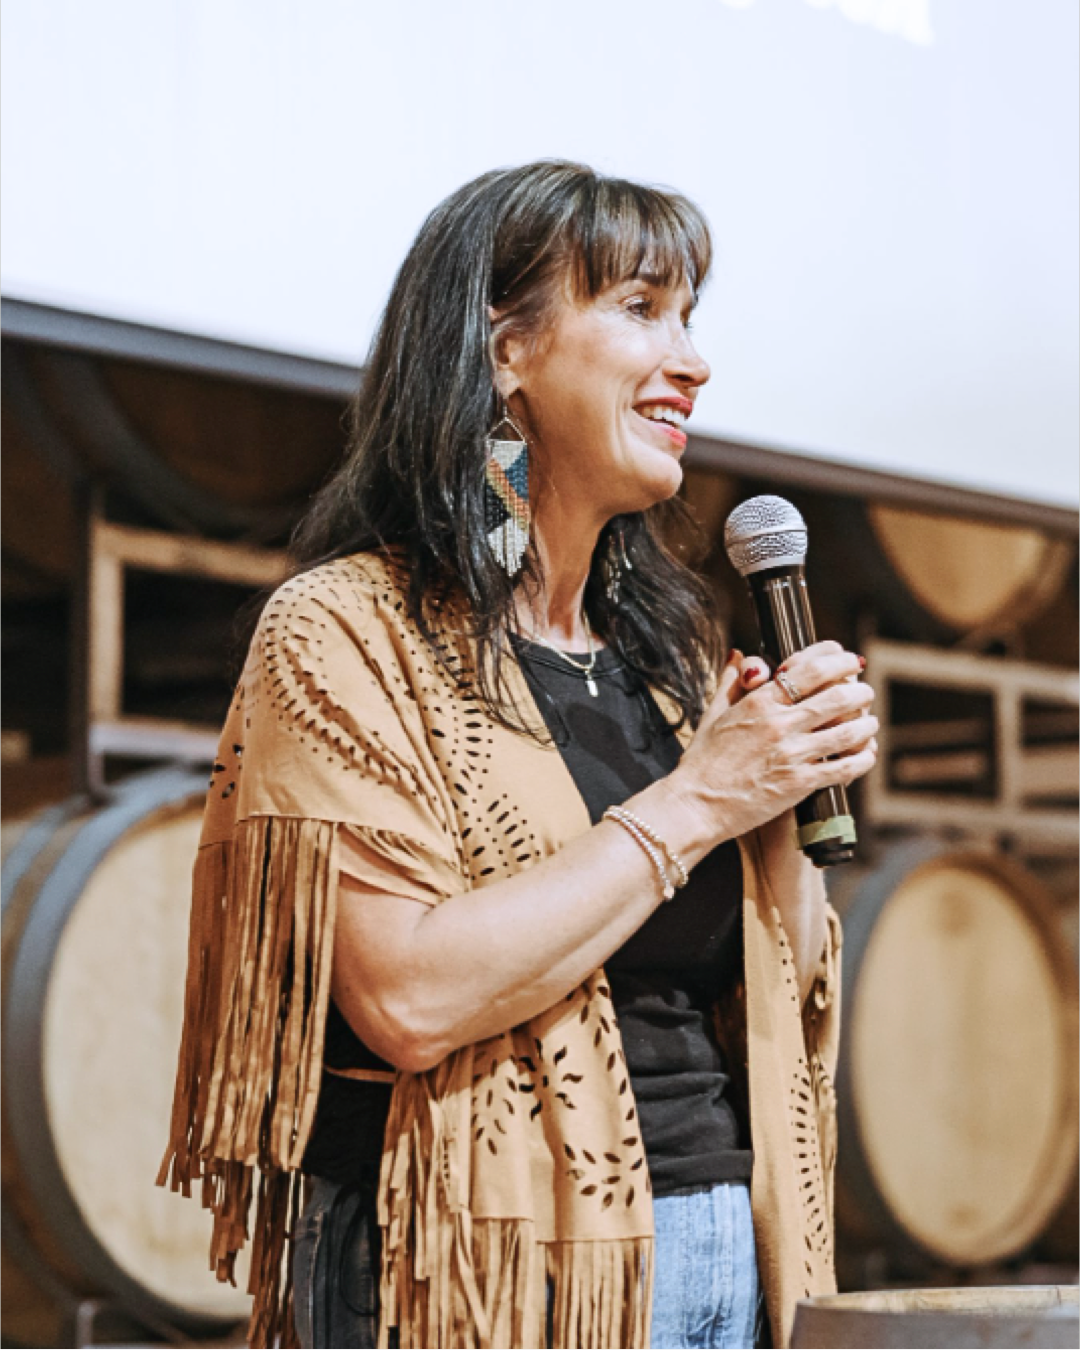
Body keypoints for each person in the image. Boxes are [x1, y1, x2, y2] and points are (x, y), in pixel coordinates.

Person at [159, 161, 876, 1350]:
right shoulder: (347, 633)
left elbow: (766, 988)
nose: (691, 361)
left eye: (690, 316)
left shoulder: (670, 660)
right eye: (642, 309)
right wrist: (698, 800)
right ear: (505, 355)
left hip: (724, 1247)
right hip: (478, 1261)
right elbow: (407, 995)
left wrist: (778, 797)